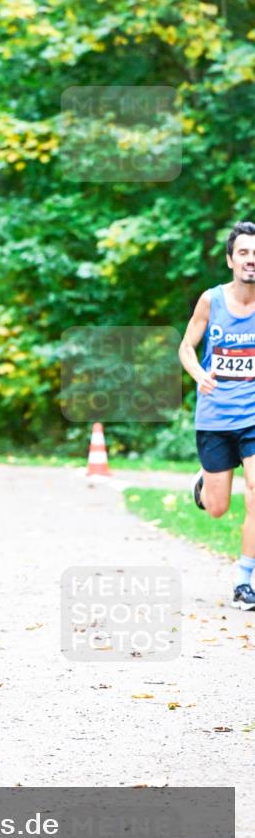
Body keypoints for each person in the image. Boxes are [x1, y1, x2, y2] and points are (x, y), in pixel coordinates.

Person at [179, 220, 255, 609]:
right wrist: (198, 374)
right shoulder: (212, 301)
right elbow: (186, 348)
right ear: (230, 259)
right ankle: (204, 487)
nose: (251, 260)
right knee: (218, 507)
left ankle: (245, 580)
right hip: (215, 417)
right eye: (243, 252)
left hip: (253, 416)